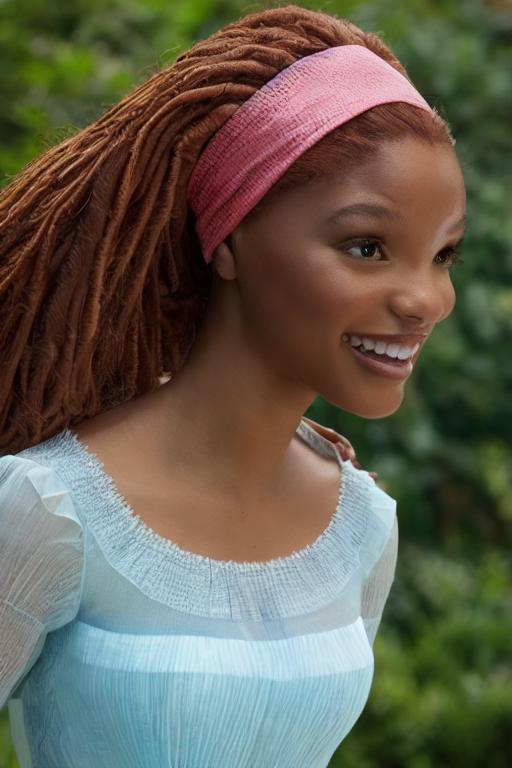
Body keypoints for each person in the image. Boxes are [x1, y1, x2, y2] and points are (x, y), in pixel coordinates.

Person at [0, 4, 466, 766]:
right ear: (231, 239)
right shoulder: (49, 510)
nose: (424, 300)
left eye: (443, 255)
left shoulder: (361, 525)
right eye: (367, 246)